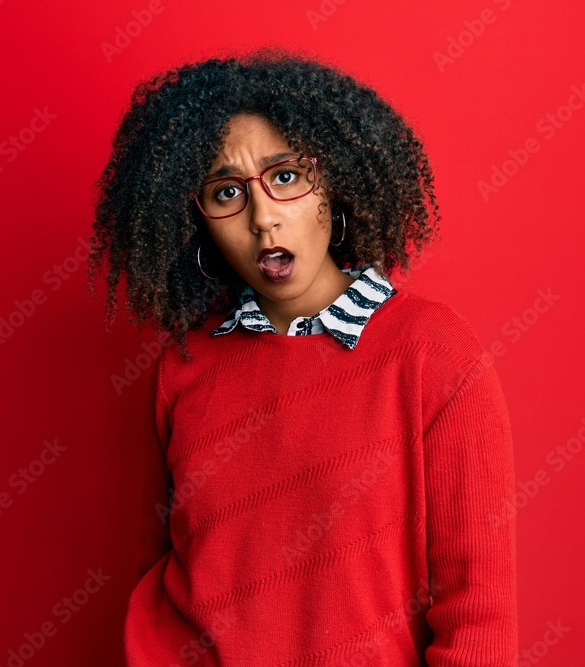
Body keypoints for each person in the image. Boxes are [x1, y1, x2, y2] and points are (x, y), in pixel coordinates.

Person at [87, 46, 518, 666]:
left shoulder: (433, 354)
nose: (263, 218)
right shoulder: (184, 366)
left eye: (286, 177)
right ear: (198, 222)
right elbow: (156, 562)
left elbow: (478, 618)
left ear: (334, 183)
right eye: (226, 192)